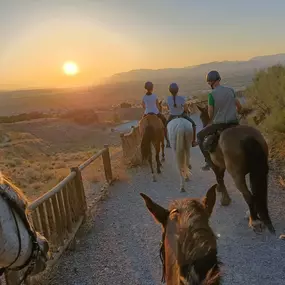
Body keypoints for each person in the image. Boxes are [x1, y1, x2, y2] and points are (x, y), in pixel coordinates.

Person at [197, 70, 242, 171]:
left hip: (219, 125)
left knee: (199, 137)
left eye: (209, 82)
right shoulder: (230, 90)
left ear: (210, 82)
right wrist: (236, 112)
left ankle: (209, 162)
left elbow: (210, 114)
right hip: (234, 122)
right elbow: (239, 106)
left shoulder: (211, 95)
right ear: (219, 80)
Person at [166, 83, 197, 147]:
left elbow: (168, 108)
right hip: (182, 115)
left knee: (164, 127)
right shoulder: (181, 98)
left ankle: (168, 142)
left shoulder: (168, 99)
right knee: (193, 125)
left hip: (172, 116)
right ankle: (193, 141)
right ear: (177, 90)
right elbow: (185, 108)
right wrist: (186, 110)